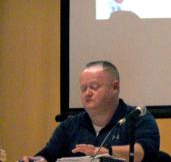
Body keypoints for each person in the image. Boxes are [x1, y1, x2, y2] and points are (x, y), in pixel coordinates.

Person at [21, 60, 160, 162]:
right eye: (83, 89)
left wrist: (102, 152)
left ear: (115, 87)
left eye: (94, 87)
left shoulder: (137, 118)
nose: (87, 93)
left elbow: (146, 153)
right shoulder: (70, 126)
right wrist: (35, 160)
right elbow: (47, 155)